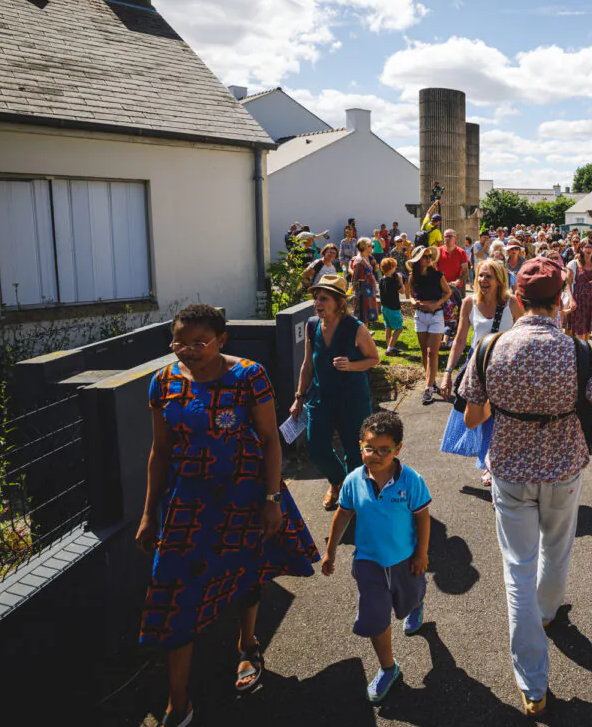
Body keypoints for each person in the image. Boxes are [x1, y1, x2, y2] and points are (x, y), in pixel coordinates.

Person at [459, 257, 592, 716]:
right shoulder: (579, 352)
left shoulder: (491, 348)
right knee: (557, 550)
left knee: (518, 569)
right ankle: (549, 612)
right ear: (561, 302)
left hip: (511, 473)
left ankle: (533, 685)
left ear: (518, 298)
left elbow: (473, 418)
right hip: (562, 470)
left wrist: (505, 404)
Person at [138, 305, 320, 725]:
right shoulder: (163, 382)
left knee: (246, 573)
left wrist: (272, 499)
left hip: (244, 496)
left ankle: (247, 644)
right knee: (174, 593)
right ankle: (178, 702)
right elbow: (159, 452)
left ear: (222, 340)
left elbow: (271, 440)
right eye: (179, 343)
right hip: (186, 504)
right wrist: (149, 513)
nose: (187, 351)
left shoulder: (248, 375)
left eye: (199, 343)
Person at [321, 411, 431, 703]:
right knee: (375, 618)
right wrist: (331, 551)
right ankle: (388, 668)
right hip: (368, 563)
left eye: (385, 450)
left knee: (410, 598)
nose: (376, 455)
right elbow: (343, 514)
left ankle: (418, 601)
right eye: (370, 448)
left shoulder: (411, 480)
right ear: (360, 447)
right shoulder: (353, 480)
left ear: (398, 449)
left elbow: (422, 518)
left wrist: (421, 553)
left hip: (405, 560)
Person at [292, 276, 380, 510]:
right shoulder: (312, 325)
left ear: (340, 302)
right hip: (321, 399)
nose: (317, 304)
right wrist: (299, 397)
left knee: (354, 451)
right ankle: (337, 481)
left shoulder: (355, 328)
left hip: (353, 401)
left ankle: (352, 495)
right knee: (316, 448)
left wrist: (351, 365)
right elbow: (307, 365)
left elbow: (374, 358)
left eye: (324, 299)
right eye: (316, 298)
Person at [440, 260, 523, 486]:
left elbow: (524, 336)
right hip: (477, 369)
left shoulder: (512, 304)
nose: (483, 281)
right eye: (480, 276)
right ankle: (488, 463)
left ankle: (494, 463)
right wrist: (448, 372)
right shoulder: (469, 303)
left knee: (502, 417)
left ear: (499, 281)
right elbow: (459, 340)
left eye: (488, 277)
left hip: (505, 369)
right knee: (482, 416)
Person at [408, 245, 453, 405]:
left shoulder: (437, 275)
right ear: (418, 260)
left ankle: (428, 387)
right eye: (425, 257)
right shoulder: (413, 277)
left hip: (436, 315)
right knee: (424, 352)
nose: (428, 259)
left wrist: (437, 304)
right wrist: (415, 303)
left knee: (432, 352)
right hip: (420, 316)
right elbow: (411, 296)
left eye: (429, 256)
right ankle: (431, 379)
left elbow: (448, 292)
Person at [436, 229, 469, 351]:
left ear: (456, 238)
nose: (447, 239)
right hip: (440, 289)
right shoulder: (438, 251)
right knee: (439, 313)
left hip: (455, 289)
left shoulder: (461, 252)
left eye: (450, 236)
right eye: (445, 236)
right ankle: (439, 338)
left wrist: (458, 281)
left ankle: (450, 340)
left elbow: (465, 271)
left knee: (454, 315)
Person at [565, 240, 592, 342]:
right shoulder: (573, 264)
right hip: (579, 300)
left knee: (587, 332)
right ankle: (581, 354)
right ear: (581, 249)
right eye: (586, 247)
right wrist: (571, 299)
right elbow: (567, 283)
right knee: (580, 332)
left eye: (591, 247)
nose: (589, 249)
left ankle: (584, 353)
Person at [378, 257, 405, 356]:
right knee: (399, 328)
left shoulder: (382, 280)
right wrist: (400, 280)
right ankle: (390, 348)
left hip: (384, 307)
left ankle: (390, 346)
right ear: (391, 268)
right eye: (395, 267)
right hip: (393, 308)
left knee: (388, 327)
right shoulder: (393, 281)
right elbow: (402, 291)